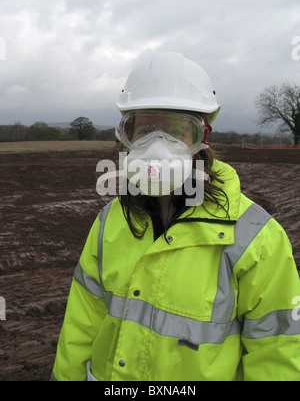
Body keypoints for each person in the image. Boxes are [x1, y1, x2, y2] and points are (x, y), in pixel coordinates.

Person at [51, 52, 300, 381]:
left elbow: (276, 351)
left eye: (176, 131)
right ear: (127, 136)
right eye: (146, 130)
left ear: (201, 139)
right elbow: (81, 325)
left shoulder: (256, 239)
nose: (158, 146)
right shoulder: (109, 223)